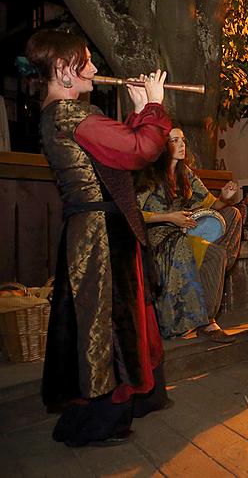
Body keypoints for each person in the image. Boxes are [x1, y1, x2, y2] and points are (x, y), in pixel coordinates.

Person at [28, 30, 172, 447]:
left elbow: (112, 158)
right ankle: (98, 422)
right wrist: (156, 106)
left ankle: (109, 416)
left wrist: (141, 110)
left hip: (97, 231)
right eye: (85, 62)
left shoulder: (62, 114)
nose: (93, 69)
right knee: (106, 326)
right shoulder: (70, 114)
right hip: (99, 237)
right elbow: (139, 150)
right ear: (62, 69)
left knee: (107, 323)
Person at [136, 128, 242, 343]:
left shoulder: (186, 174)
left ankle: (217, 262)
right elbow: (134, 212)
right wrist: (169, 217)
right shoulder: (150, 175)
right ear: (163, 147)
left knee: (233, 213)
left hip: (185, 228)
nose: (182, 144)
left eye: (183, 140)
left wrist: (224, 196)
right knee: (215, 255)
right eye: (175, 140)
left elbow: (213, 205)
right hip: (159, 233)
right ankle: (207, 320)